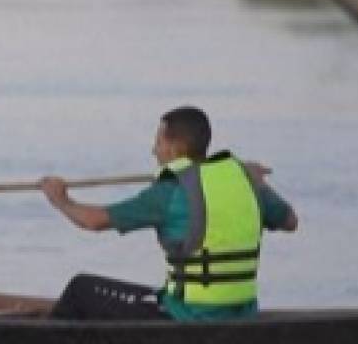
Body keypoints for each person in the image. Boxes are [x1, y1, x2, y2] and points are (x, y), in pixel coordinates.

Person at [40, 106, 298, 322]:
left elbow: (93, 222)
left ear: (176, 147)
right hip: (243, 314)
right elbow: (290, 222)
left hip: (189, 316)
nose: (154, 150)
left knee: (81, 289)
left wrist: (60, 199)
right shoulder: (245, 181)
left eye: (158, 142)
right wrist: (257, 181)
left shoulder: (171, 191)